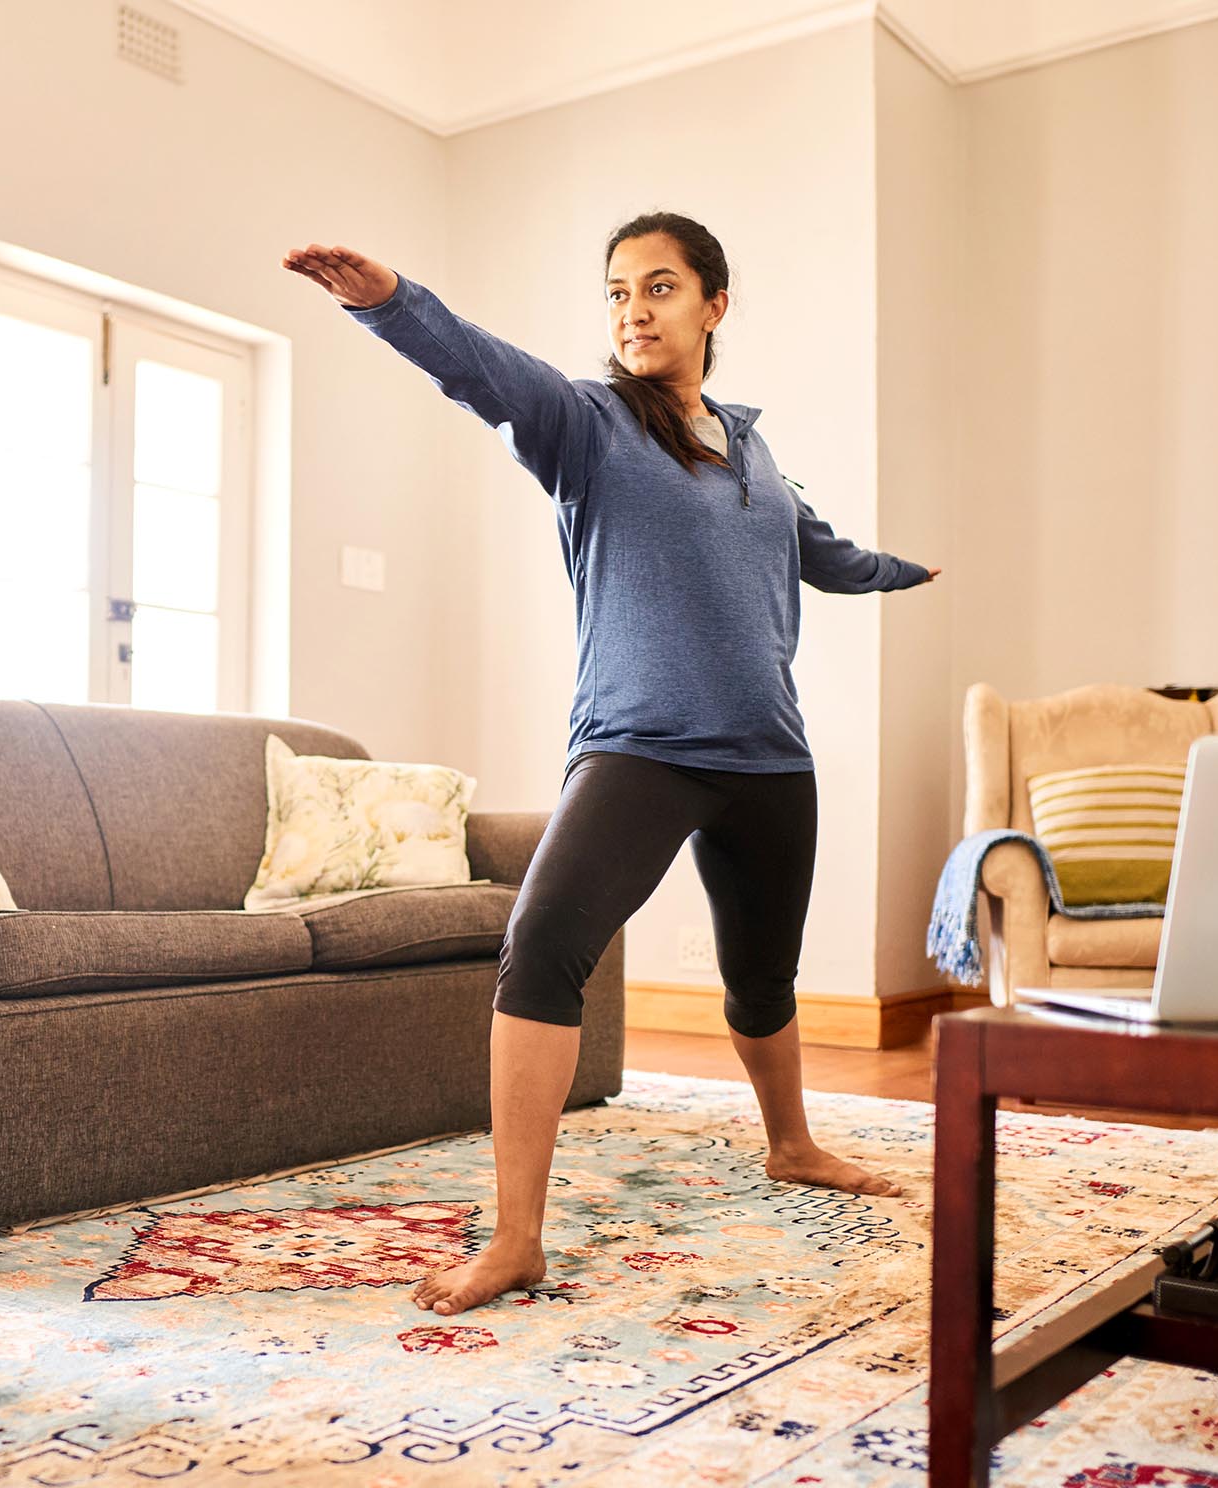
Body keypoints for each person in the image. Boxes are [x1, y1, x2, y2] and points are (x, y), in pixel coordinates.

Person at [282, 212, 942, 1318]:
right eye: (618, 292)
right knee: (541, 948)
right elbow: (480, 371)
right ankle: (518, 1238)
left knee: (763, 982)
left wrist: (896, 571)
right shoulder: (586, 426)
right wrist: (387, 298)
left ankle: (791, 1145)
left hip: (771, 758)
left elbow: (816, 549)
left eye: (661, 287)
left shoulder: (753, 447)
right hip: (639, 749)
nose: (634, 309)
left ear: (714, 306)